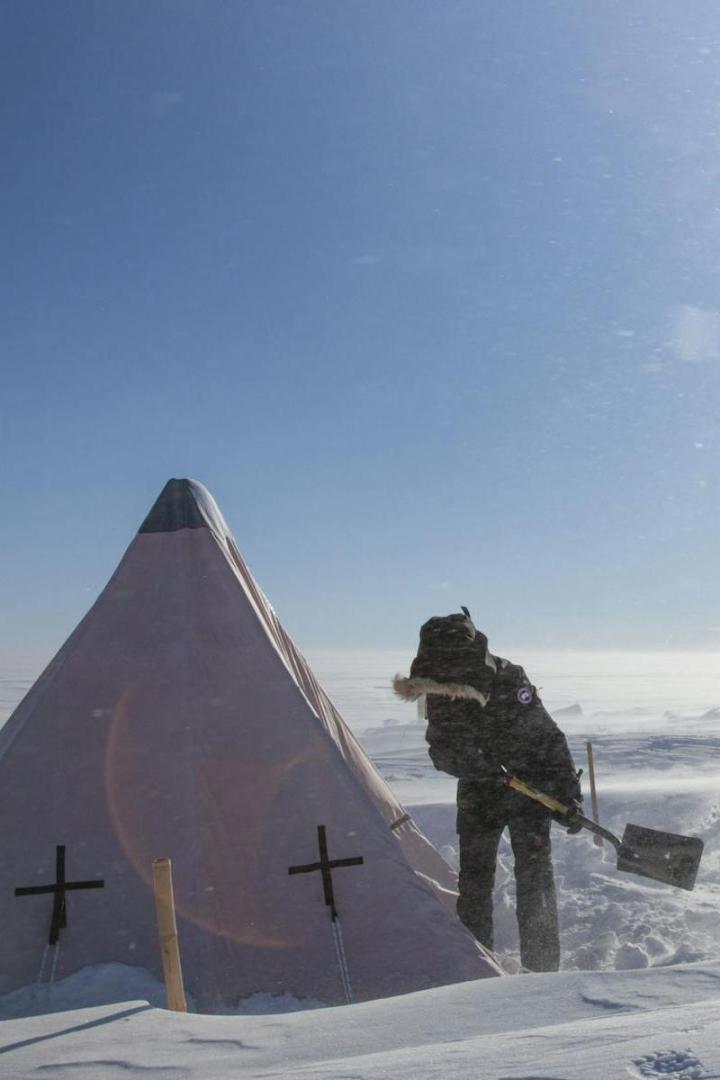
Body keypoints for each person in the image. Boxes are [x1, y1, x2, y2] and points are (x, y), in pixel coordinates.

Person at [394, 609, 582, 972]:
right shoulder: (438, 685)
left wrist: (567, 792)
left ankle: (543, 973)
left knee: (535, 876)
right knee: (475, 883)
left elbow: (546, 735)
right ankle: (477, 968)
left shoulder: (511, 678)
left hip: (530, 791)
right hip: (479, 793)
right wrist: (476, 765)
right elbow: (440, 750)